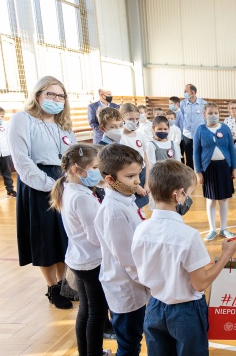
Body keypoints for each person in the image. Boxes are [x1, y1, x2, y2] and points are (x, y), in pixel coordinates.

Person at [132, 159, 236, 356]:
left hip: (154, 306)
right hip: (185, 312)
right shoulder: (188, 235)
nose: (189, 198)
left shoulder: (141, 229)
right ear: (178, 194)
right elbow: (200, 283)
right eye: (189, 193)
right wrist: (225, 256)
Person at [8, 75, 78, 309]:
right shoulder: (23, 119)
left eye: (60, 95)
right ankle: (52, 288)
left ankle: (64, 283)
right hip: (38, 184)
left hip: (64, 181)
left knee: (64, 237)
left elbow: (74, 156)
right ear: (38, 95)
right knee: (45, 239)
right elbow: (22, 161)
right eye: (51, 94)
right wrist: (52, 185)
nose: (56, 99)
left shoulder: (63, 125)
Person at [50, 144, 112, 356]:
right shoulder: (82, 197)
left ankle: (86, 352)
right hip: (91, 261)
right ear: (76, 169)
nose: (97, 172)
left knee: (86, 310)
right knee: (97, 313)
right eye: (94, 167)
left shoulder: (70, 188)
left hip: (80, 259)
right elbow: (95, 237)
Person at [95, 143, 150, 356]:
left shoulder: (126, 199)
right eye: (130, 176)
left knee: (133, 340)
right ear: (110, 179)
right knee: (129, 344)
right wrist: (152, 283)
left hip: (135, 285)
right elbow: (128, 259)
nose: (137, 181)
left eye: (138, 174)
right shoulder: (113, 211)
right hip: (126, 288)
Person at [194, 102, 236, 241]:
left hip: (224, 167)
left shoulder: (225, 128)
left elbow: (232, 149)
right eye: (210, 113)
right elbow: (196, 153)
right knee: (211, 199)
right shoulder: (200, 130)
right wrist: (198, 172)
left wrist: (234, 168)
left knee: (223, 200)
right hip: (209, 168)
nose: (213, 116)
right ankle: (212, 229)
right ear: (204, 115)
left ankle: (223, 228)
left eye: (215, 113)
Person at [146, 115, 182, 210]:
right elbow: (152, 166)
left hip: (173, 180)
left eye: (165, 129)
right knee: (159, 208)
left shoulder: (173, 144)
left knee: (172, 206)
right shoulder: (151, 144)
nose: (163, 131)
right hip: (159, 181)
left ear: (169, 129)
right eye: (159, 129)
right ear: (153, 128)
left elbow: (178, 163)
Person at [119, 103, 150, 209]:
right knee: (132, 208)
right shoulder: (120, 138)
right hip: (129, 178)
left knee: (140, 209)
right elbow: (122, 168)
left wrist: (147, 182)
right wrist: (136, 187)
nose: (135, 122)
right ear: (121, 118)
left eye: (137, 118)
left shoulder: (140, 136)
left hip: (142, 174)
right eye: (131, 119)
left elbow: (146, 159)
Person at [177, 84, 207, 169]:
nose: (184, 93)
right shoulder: (182, 104)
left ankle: (201, 174)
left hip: (200, 134)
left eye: (186, 91)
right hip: (187, 134)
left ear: (193, 92)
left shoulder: (203, 103)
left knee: (200, 155)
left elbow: (206, 119)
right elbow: (182, 118)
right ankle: (190, 176)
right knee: (189, 157)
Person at [0, 106, 16, 202]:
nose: (0, 118)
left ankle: (10, 191)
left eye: (2, 116)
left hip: (6, 153)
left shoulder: (6, 126)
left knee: (7, 173)